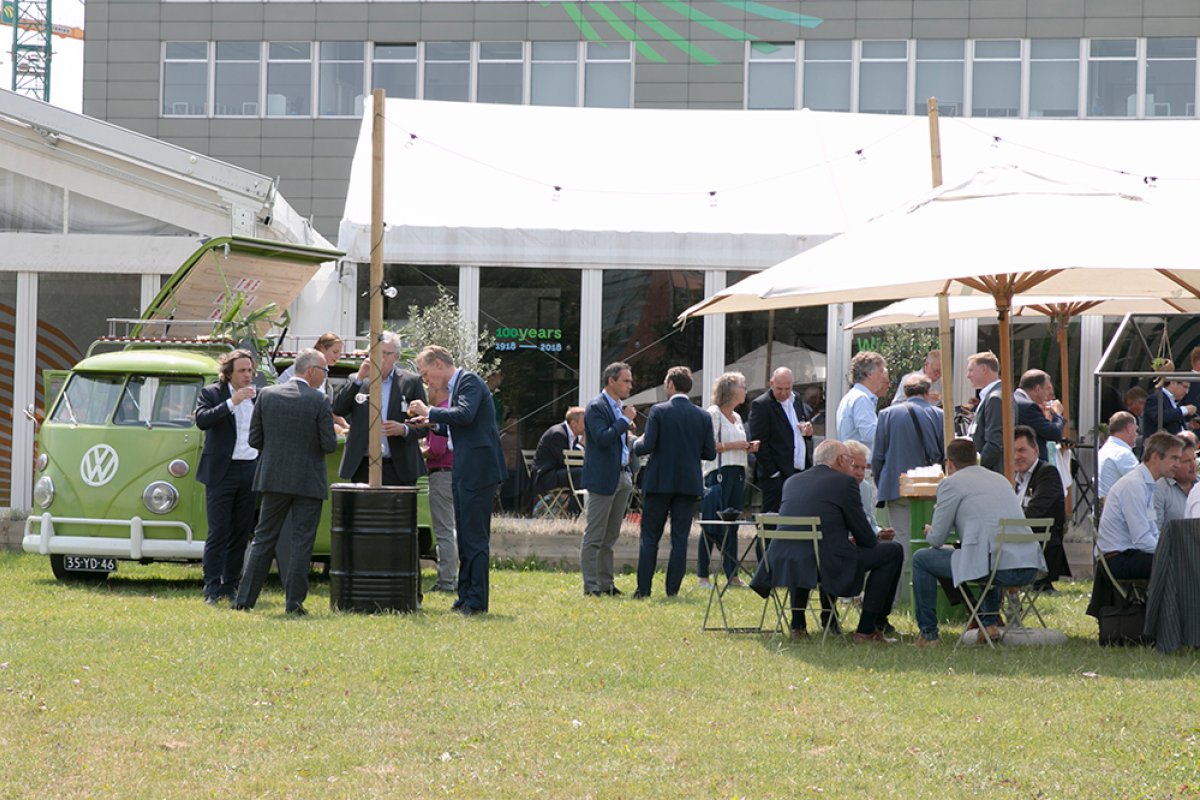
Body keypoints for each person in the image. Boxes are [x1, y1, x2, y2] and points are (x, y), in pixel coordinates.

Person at [751, 440, 902, 642]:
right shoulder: (845, 483)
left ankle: (798, 625)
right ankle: (867, 628)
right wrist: (858, 539)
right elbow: (867, 538)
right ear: (840, 460)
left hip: (784, 562)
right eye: (851, 462)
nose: (854, 469)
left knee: (804, 550)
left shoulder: (792, 481)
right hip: (827, 563)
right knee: (892, 551)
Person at [912, 439, 1047, 646]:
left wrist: (930, 530)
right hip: (1029, 565)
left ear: (949, 463)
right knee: (984, 554)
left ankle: (928, 634)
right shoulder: (1000, 479)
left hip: (997, 566)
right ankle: (988, 624)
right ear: (975, 458)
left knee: (921, 559)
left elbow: (937, 539)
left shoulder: (950, 483)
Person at [233, 349, 337, 615]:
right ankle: (294, 603)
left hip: (273, 477)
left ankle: (245, 599)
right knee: (302, 542)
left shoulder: (267, 395)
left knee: (263, 539)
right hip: (308, 481)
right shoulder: (319, 400)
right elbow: (329, 444)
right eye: (325, 371)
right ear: (311, 371)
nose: (325, 376)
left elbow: (255, 440)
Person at [408, 346, 507, 615]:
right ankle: (465, 597)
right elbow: (457, 425)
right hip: (465, 468)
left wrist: (430, 411)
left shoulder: (469, 381)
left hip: (478, 469)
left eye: (426, 373)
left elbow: (464, 415)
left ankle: (476, 601)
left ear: (439, 364)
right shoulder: (458, 387)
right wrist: (428, 423)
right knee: (464, 536)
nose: (426, 380)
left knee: (474, 538)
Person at [632, 366, 716, 598]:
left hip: (659, 482)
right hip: (688, 484)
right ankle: (672, 591)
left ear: (670, 385)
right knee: (680, 539)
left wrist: (633, 444)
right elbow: (710, 453)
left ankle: (644, 589)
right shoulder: (703, 415)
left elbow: (646, 446)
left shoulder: (659, 411)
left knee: (650, 537)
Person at [195, 348, 259, 605]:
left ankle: (230, 585)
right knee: (219, 530)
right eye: (242, 371)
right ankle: (211, 586)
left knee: (241, 532)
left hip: (250, 468)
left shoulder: (259, 395)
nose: (247, 375)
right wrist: (232, 403)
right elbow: (202, 421)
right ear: (228, 373)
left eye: (250, 371)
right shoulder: (212, 393)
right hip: (222, 471)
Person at [872, 372, 944, 596]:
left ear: (904, 392)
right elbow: (943, 452)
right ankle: (924, 593)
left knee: (901, 540)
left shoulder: (886, 414)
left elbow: (878, 456)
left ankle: (900, 595)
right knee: (928, 540)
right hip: (929, 487)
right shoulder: (939, 415)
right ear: (927, 391)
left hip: (896, 485)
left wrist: (880, 481)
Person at [332, 331, 428, 486]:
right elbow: (338, 409)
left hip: (399, 467)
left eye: (385, 353)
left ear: (396, 357)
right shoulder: (357, 380)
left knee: (397, 511)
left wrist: (404, 429)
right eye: (375, 353)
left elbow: (424, 425)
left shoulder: (410, 382)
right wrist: (359, 378)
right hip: (363, 465)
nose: (380, 358)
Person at [579, 363, 637, 597]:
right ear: (611, 381)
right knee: (595, 535)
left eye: (630, 381)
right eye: (626, 381)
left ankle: (606, 584)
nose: (630, 386)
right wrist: (624, 421)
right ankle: (591, 586)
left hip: (622, 475)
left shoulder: (618, 407)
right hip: (603, 478)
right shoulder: (596, 407)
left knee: (611, 535)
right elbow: (602, 439)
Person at [698, 371, 759, 590]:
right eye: (742, 386)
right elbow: (708, 445)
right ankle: (703, 576)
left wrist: (749, 447)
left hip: (737, 472)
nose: (745, 390)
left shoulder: (738, 417)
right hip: (719, 472)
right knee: (712, 523)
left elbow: (736, 444)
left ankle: (731, 574)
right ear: (731, 390)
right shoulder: (714, 414)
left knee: (732, 525)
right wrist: (737, 446)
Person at [1096, 431, 1184, 581]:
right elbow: (1142, 539)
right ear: (1155, 456)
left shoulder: (1145, 484)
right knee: (1183, 564)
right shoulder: (1135, 485)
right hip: (1118, 558)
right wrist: (1173, 551)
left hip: (1128, 554)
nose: (1178, 465)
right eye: (1174, 458)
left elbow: (1151, 533)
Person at [748, 367, 813, 515]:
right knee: (772, 519)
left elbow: (798, 427)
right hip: (777, 475)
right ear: (771, 383)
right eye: (779, 389)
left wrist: (808, 431)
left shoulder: (796, 399)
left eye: (787, 389)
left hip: (799, 469)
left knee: (797, 516)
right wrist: (773, 472)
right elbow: (759, 442)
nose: (784, 393)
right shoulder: (762, 404)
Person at [1012, 425, 1069, 594]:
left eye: (1022, 450)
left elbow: (1035, 513)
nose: (1016, 456)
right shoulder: (1012, 478)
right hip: (1016, 543)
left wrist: (1008, 526)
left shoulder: (1047, 473)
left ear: (1035, 450)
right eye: (1013, 451)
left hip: (1041, 552)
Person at [421, 385, 458, 593]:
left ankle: (446, 582)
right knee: (451, 529)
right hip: (454, 473)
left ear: (438, 391)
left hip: (441, 474)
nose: (428, 393)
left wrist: (415, 451)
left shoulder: (439, 413)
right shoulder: (451, 409)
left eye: (430, 388)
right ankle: (452, 577)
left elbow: (435, 450)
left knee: (444, 531)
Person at [532, 407, 586, 512]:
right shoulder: (558, 433)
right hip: (546, 476)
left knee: (584, 472)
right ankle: (574, 514)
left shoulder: (572, 436)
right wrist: (582, 444)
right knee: (579, 474)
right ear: (574, 423)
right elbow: (565, 461)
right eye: (585, 422)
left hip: (558, 472)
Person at [835, 351, 888, 454]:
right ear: (869, 374)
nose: (884, 376)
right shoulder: (861, 399)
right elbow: (869, 434)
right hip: (861, 465)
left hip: (854, 462)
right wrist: (892, 426)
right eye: (881, 371)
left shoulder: (853, 396)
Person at [1014, 369, 1066, 462]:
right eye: (1047, 389)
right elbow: (1054, 433)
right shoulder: (1028, 406)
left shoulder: (1016, 400)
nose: (1048, 394)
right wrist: (1057, 414)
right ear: (1037, 389)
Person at [967, 351, 1004, 473]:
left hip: (991, 474)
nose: (968, 375)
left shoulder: (995, 398)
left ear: (984, 369)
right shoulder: (992, 396)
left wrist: (976, 469)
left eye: (971, 370)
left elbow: (995, 443)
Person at [1153, 432, 1195, 529]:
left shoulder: (1198, 485)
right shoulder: (1159, 490)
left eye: (1194, 459)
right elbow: (1155, 531)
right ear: (1174, 463)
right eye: (1187, 461)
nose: (1193, 465)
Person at [1098, 411, 1140, 499]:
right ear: (1129, 428)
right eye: (1135, 430)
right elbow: (1141, 485)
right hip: (1118, 509)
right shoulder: (1123, 454)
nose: (1136, 434)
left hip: (1103, 508)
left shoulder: (1103, 450)